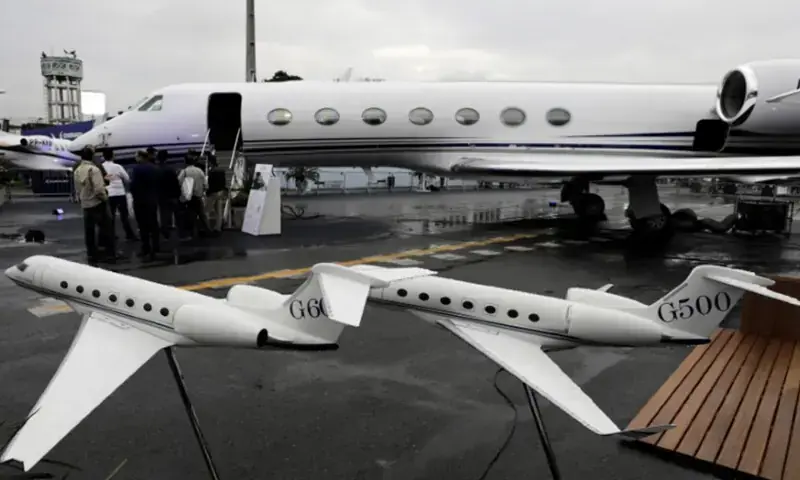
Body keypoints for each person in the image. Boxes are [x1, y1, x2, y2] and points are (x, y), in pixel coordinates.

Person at [73, 147, 115, 264]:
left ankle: (91, 254)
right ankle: (109, 254)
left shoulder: (77, 170)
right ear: (92, 156)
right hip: (97, 203)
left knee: (89, 231)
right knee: (106, 229)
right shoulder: (94, 169)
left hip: (85, 204)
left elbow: (77, 189)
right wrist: (104, 198)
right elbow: (99, 189)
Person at [129, 150, 161, 260]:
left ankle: (146, 248)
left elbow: (133, 186)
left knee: (143, 226)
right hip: (152, 200)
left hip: (141, 201)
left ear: (140, 157)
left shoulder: (137, 169)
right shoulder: (154, 168)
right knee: (154, 224)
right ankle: (156, 246)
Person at [101, 149, 137, 241]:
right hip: (120, 193)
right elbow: (127, 178)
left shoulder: (101, 167)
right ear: (113, 156)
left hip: (108, 193)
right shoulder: (117, 166)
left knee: (110, 216)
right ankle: (129, 235)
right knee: (124, 216)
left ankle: (111, 235)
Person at [178, 154, 210, 237]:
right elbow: (205, 185)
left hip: (189, 198)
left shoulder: (184, 172)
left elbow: (178, 183)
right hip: (198, 197)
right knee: (202, 215)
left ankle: (192, 232)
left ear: (185, 162)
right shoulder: (199, 171)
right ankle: (208, 230)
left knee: (190, 215)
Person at [155, 149, 181, 239]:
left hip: (161, 196)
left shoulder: (156, 169)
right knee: (177, 214)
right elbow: (175, 182)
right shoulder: (171, 169)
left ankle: (165, 233)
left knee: (164, 215)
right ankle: (181, 233)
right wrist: (178, 194)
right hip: (172, 195)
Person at [205, 155, 227, 232]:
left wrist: (207, 193)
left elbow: (210, 185)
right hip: (220, 193)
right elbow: (224, 183)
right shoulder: (222, 171)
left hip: (213, 193)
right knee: (219, 211)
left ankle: (207, 227)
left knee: (207, 211)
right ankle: (218, 227)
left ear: (210, 162)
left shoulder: (211, 172)